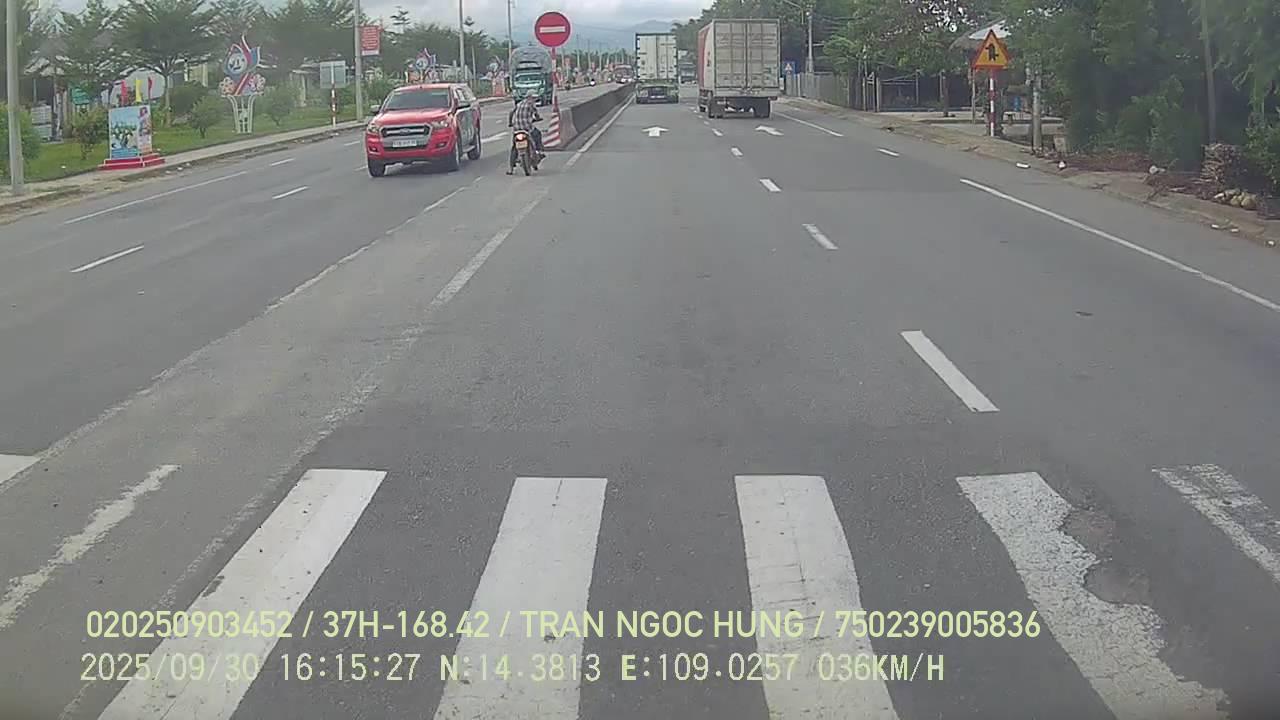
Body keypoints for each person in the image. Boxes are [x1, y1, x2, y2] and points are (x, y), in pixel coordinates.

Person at [507, 91, 546, 173]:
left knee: (514, 147)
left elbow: (511, 113)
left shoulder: (519, 104)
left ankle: (511, 168)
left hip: (517, 129)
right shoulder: (531, 104)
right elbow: (536, 114)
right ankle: (538, 151)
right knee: (537, 134)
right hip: (527, 128)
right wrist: (538, 118)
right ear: (529, 97)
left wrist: (510, 123)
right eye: (533, 98)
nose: (534, 99)